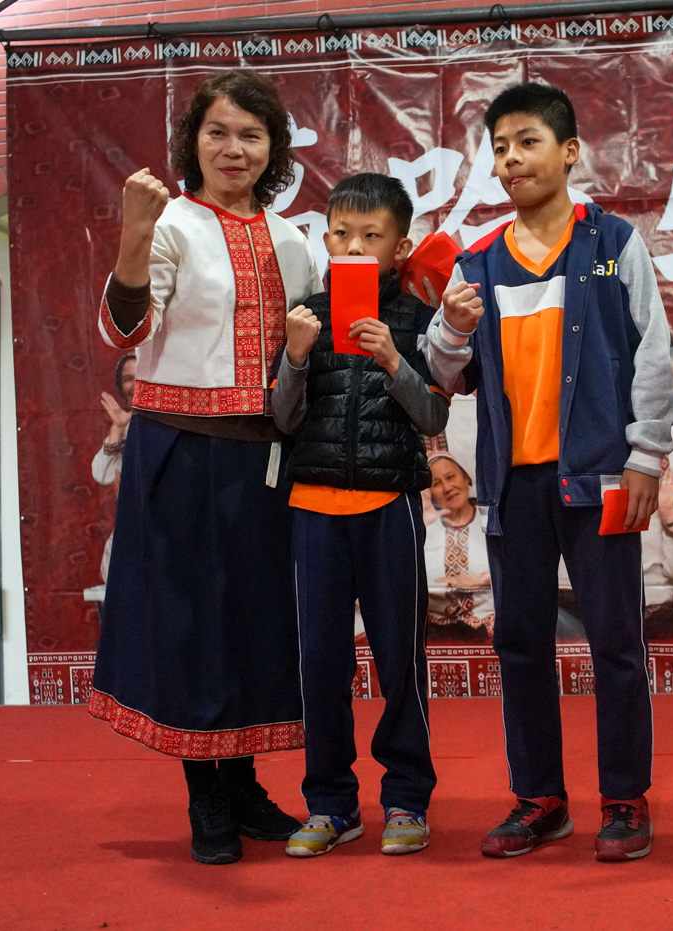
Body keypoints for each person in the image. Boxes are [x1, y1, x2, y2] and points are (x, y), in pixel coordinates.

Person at [425, 82, 673, 861]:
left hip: (600, 479)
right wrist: (453, 326)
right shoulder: (478, 260)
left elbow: (654, 356)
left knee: (615, 644)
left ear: (569, 152)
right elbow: (442, 372)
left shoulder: (612, 243)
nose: (511, 159)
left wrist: (646, 456)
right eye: (499, 147)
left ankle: (625, 799)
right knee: (523, 644)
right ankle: (539, 798)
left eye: (527, 141)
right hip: (512, 489)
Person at [89, 69, 322, 866]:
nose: (234, 148)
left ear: (273, 149)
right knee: (191, 624)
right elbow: (124, 331)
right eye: (219, 132)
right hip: (180, 449)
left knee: (259, 622)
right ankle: (206, 796)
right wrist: (130, 232)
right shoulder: (170, 225)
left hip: (265, 456)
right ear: (193, 139)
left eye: (252, 135)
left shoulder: (296, 242)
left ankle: (247, 782)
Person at [271, 172, 448, 859]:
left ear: (399, 246)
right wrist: (293, 355)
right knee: (319, 663)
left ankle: (406, 797)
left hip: (389, 507)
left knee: (400, 660)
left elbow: (433, 415)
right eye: (341, 233)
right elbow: (281, 418)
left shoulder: (416, 317)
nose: (353, 246)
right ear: (324, 239)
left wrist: (393, 359)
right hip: (313, 509)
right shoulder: (306, 315)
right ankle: (330, 804)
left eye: (370, 236)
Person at [424, 451, 494, 638]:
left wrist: (480, 579)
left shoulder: (492, 521)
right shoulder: (424, 530)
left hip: (491, 631)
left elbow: (520, 566)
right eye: (436, 484)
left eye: (450, 477)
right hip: (437, 635)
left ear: (466, 479)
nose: (447, 488)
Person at [92, 354, 135, 581]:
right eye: (128, 379)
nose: (135, 385)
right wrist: (118, 428)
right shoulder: (126, 427)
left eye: (141, 376)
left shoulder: (172, 423)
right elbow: (102, 473)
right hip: (131, 529)